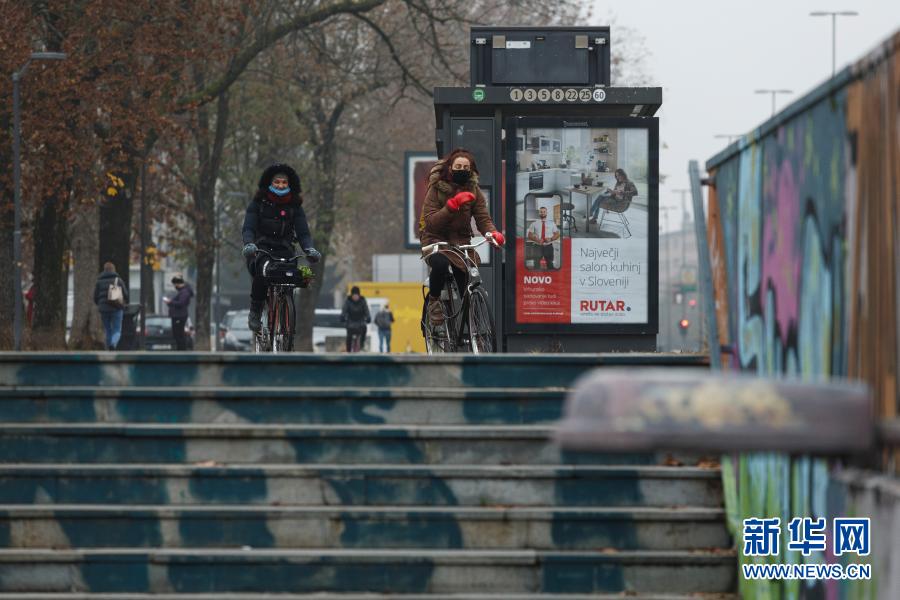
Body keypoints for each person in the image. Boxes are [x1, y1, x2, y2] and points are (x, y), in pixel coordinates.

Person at [418, 148, 504, 326]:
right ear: (450, 168)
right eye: (458, 167)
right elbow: (431, 223)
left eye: (466, 167)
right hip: (435, 240)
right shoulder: (436, 188)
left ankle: (473, 327)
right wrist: (451, 207)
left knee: (467, 282)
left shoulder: (474, 191)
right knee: (440, 264)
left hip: (461, 243)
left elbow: (483, 218)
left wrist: (492, 233)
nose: (462, 170)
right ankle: (434, 302)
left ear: (471, 170)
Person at [241, 163, 321, 332]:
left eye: (284, 182)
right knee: (263, 273)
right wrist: (249, 244)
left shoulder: (295, 207)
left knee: (292, 275)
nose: (280, 185)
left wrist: (309, 249)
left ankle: (286, 314)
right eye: (277, 182)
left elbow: (303, 233)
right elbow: (248, 228)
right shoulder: (257, 204)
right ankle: (255, 311)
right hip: (261, 249)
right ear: (270, 183)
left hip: (285, 250)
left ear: (289, 184)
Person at [93, 262, 129, 350]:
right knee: (117, 329)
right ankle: (113, 344)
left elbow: (95, 297)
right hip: (116, 308)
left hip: (104, 310)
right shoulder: (118, 280)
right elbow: (126, 294)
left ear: (104, 270)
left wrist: (100, 304)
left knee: (107, 330)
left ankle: (109, 349)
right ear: (114, 270)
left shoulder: (99, 281)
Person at [163, 274, 194, 351]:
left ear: (178, 284)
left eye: (175, 284)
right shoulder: (182, 292)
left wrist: (170, 302)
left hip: (179, 316)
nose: (175, 286)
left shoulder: (184, 292)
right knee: (178, 334)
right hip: (178, 315)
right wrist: (170, 303)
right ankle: (180, 349)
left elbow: (181, 303)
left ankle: (182, 350)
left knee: (178, 334)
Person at [341, 286, 370, 352]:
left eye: (356, 295)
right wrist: (342, 316)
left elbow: (366, 310)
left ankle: (361, 345)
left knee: (364, 328)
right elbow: (344, 310)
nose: (355, 297)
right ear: (351, 296)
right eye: (354, 296)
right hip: (351, 321)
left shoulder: (363, 301)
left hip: (360, 321)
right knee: (349, 335)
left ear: (359, 295)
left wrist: (368, 317)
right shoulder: (348, 301)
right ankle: (348, 350)